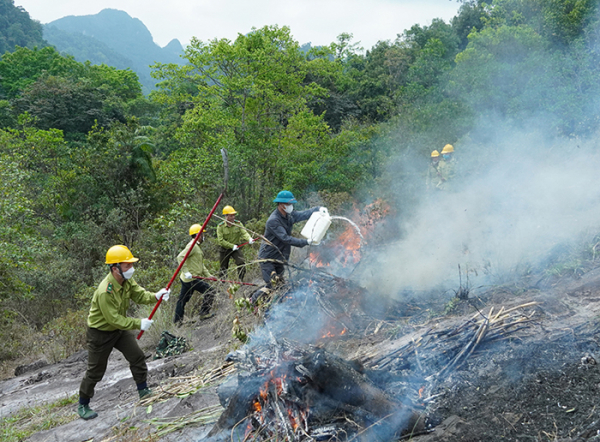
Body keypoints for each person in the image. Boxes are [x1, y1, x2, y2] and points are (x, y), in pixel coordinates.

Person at [78, 245, 171, 420]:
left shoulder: (127, 281)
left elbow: (140, 295)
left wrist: (156, 296)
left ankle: (143, 391)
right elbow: (113, 319)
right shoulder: (105, 291)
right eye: (127, 265)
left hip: (119, 330)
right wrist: (138, 323)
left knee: (137, 356)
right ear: (115, 268)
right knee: (96, 371)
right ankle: (83, 404)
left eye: (130, 264)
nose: (131, 268)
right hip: (100, 333)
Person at [252, 190, 321, 302]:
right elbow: (286, 238)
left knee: (280, 285)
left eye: (291, 204)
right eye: (288, 204)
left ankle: (276, 306)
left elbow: (303, 214)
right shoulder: (273, 221)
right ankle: (253, 300)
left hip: (279, 258)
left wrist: (317, 209)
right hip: (268, 258)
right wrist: (306, 242)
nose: (290, 206)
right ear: (280, 204)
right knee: (272, 284)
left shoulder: (289, 216)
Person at [173, 224, 216, 324]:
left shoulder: (196, 246)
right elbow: (180, 257)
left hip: (188, 279)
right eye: (202, 234)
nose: (203, 236)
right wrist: (186, 272)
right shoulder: (192, 246)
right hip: (191, 279)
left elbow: (200, 265)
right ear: (198, 235)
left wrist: (208, 275)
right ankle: (204, 313)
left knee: (182, 300)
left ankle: (177, 322)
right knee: (210, 291)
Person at [216, 205, 254, 281]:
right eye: (231, 215)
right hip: (225, 249)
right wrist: (231, 245)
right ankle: (222, 283)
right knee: (223, 267)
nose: (233, 217)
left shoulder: (238, 224)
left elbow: (244, 233)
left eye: (234, 215)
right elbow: (220, 241)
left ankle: (241, 280)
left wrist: (249, 238)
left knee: (241, 263)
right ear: (226, 216)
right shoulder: (220, 227)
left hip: (235, 248)